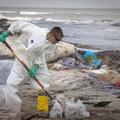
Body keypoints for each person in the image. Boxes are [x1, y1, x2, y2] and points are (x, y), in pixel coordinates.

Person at [6, 21, 64, 93]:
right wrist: (8, 32)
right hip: (23, 56)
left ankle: (42, 103)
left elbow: (44, 55)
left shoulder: (52, 45)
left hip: (38, 61)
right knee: (14, 81)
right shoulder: (37, 31)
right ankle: (11, 99)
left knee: (43, 83)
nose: (57, 42)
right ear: (52, 35)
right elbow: (20, 25)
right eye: (57, 39)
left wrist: (36, 66)